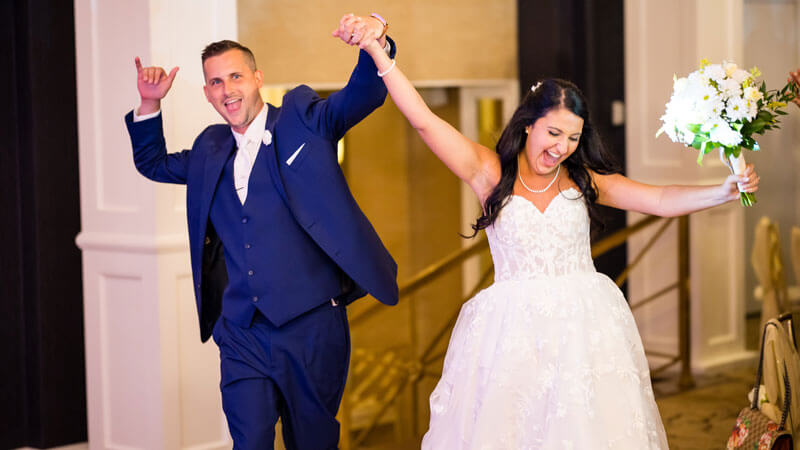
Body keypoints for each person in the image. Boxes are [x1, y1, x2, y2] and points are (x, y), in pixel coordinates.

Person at [333, 18, 760, 449]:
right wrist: (377, 52)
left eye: (573, 138)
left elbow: (661, 199)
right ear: (528, 125)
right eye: (554, 133)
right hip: (511, 335)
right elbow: (424, 121)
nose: (561, 147)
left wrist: (722, 192)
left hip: (584, 329)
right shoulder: (489, 172)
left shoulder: (583, 180)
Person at [126, 14, 398, 449]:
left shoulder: (302, 120)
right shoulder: (209, 148)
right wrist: (149, 103)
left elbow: (362, 96)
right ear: (206, 93)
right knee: (248, 441)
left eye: (235, 76)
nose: (227, 90)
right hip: (241, 332)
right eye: (216, 82)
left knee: (311, 441)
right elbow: (153, 163)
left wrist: (374, 41)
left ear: (257, 77)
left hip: (311, 326)